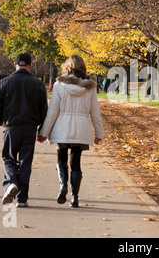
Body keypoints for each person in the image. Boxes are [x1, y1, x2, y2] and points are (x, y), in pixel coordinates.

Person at [37, 55, 104, 208]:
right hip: (81, 130)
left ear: (67, 67)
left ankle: (63, 186)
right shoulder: (89, 87)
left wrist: (43, 133)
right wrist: (99, 135)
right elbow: (95, 113)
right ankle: (74, 197)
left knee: (61, 159)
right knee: (76, 164)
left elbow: (52, 112)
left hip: (62, 129)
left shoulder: (59, 85)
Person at [0, 53, 48, 207]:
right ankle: (21, 198)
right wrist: (42, 131)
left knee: (9, 158)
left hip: (11, 127)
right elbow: (44, 111)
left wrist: (2, 121)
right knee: (25, 162)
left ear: (14, 64)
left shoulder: (3, 83)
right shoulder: (38, 85)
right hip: (30, 128)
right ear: (30, 65)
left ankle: (10, 183)